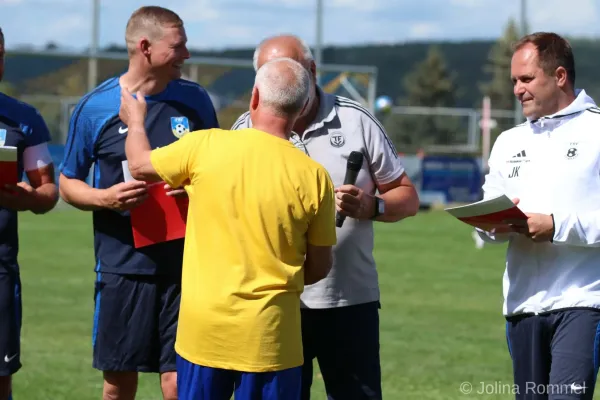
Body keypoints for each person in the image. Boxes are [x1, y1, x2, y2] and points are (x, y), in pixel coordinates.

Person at [119, 57, 336, 400]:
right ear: (303, 105)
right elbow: (320, 267)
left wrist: (135, 122)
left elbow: (138, 165)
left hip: (204, 330)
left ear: (254, 97)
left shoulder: (205, 146)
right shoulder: (314, 176)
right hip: (271, 336)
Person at [231, 34, 420, 399]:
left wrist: (372, 206)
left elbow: (407, 195)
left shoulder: (355, 119)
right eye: (270, 75)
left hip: (348, 300)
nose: (283, 85)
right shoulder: (244, 130)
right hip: (274, 301)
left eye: (294, 73)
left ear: (313, 71)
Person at [58, 6, 218, 400]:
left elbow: (218, 169)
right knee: (118, 385)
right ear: (145, 47)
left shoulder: (194, 101)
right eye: (178, 46)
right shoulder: (95, 107)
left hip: (187, 267)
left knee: (180, 384)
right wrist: (104, 198)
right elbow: (67, 182)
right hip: (122, 268)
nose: (186, 55)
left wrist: (195, 188)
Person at [478, 32, 600, 399]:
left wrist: (556, 225)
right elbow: (487, 211)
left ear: (559, 76)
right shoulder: (509, 142)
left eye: (526, 79)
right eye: (514, 80)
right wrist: (490, 227)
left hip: (583, 301)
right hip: (522, 305)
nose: (517, 89)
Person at [0, 27, 59, 400]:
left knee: (0, 379)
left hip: (0, 270)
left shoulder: (22, 119)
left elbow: (48, 191)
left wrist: (27, 198)